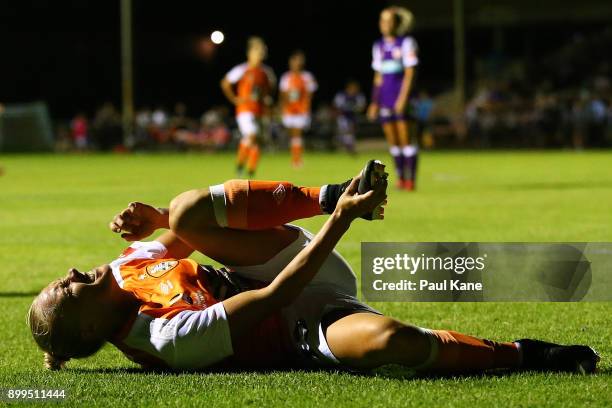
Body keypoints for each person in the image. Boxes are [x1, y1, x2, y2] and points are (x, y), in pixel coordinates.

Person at [28, 161, 599, 374]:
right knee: (387, 342)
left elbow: (186, 232)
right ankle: (528, 353)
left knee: (184, 209)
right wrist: (344, 225)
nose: (72, 273)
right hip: (302, 321)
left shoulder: (126, 269)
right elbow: (276, 298)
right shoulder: (164, 339)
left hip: (273, 263)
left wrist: (157, 219)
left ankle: (330, 191)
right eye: (65, 289)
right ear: (87, 329)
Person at [367, 7, 419, 190]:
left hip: (401, 97)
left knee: (406, 138)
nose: (385, 25)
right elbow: (378, 76)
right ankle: (399, 178)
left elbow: (410, 72)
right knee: (393, 140)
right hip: (385, 98)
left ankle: (411, 179)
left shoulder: (406, 43)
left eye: (389, 21)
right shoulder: (378, 45)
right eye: (382, 21)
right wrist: (374, 101)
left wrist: (403, 99)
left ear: (397, 24)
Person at [221, 37, 276, 177]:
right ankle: (241, 167)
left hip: (259, 111)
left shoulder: (266, 72)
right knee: (252, 135)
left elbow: (269, 90)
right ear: (250, 53)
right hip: (245, 110)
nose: (260, 54)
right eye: (257, 51)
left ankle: (249, 170)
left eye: (262, 51)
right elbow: (225, 83)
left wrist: (267, 101)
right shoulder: (242, 69)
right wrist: (234, 99)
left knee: (256, 141)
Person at [279, 50, 318, 168]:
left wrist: (306, 105)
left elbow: (311, 93)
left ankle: (296, 160)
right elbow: (283, 95)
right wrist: (281, 108)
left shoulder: (307, 76)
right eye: (295, 61)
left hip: (301, 110)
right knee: (293, 135)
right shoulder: (286, 77)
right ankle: (295, 158)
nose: (297, 64)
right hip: (289, 110)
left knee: (297, 134)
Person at [333, 80, 367, 154]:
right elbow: (337, 106)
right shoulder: (342, 95)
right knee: (346, 131)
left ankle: (349, 147)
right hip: (343, 116)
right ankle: (348, 147)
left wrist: (355, 109)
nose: (354, 90)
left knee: (351, 132)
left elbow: (361, 107)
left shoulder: (358, 96)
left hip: (353, 117)